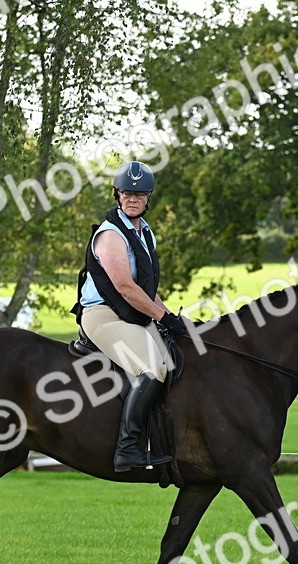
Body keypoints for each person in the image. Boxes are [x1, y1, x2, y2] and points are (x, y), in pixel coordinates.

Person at [72, 161, 186, 472]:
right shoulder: (111, 235)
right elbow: (125, 287)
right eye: (126, 193)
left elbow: (145, 290)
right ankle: (127, 449)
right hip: (103, 315)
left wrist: (170, 317)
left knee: (174, 362)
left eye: (139, 194)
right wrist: (163, 318)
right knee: (151, 368)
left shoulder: (145, 233)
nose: (132, 198)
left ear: (149, 198)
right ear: (117, 195)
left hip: (132, 314)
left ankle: (162, 440)